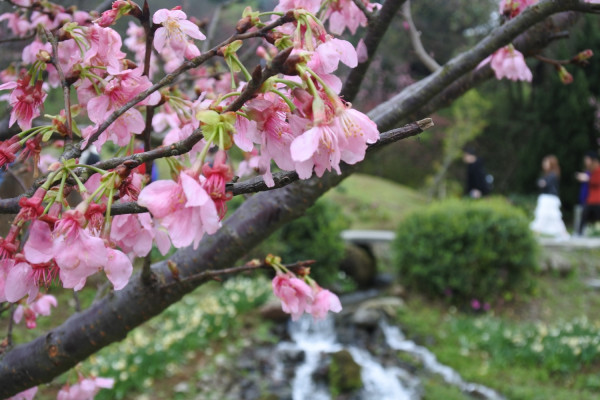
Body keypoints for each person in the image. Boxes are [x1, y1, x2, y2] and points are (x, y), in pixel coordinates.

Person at [530, 155, 569, 239]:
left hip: (549, 199)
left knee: (551, 217)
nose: (544, 165)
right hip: (548, 198)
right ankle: (536, 234)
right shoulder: (548, 174)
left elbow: (543, 184)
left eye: (546, 163)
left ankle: (563, 234)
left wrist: (542, 183)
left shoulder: (552, 175)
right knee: (544, 216)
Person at [579, 152, 600, 235]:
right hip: (590, 199)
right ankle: (580, 233)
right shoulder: (590, 171)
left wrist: (587, 179)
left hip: (597, 199)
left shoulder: (597, 170)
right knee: (585, 217)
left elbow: (597, 181)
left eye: (587, 160)